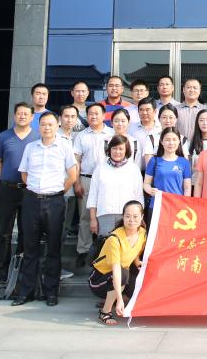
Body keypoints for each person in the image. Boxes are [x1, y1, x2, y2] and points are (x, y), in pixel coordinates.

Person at [13, 111, 78, 306]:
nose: (47, 128)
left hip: (55, 202)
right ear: (38, 126)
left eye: (50, 124)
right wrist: (36, 190)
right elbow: (24, 174)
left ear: (57, 126)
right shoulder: (30, 147)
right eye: (43, 124)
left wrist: (57, 191)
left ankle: (51, 292)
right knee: (30, 248)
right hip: (31, 201)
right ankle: (26, 291)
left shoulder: (65, 147)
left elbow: (72, 176)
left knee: (53, 249)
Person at [0, 102, 38, 284]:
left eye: (26, 114)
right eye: (19, 113)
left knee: (26, 231)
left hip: (29, 190)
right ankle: (3, 269)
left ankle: (19, 267)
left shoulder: (37, 137)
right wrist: (5, 176)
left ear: (32, 117)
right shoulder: (4, 136)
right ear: (14, 115)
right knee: (4, 231)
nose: (22, 116)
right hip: (8, 189)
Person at [92, 200, 146, 326]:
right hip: (100, 279)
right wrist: (120, 299)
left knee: (137, 281)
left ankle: (116, 298)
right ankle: (105, 312)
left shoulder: (142, 233)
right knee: (123, 273)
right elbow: (116, 271)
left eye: (135, 216)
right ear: (123, 217)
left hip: (121, 274)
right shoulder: (114, 239)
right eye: (128, 216)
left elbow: (136, 250)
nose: (131, 220)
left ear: (142, 217)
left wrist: (137, 263)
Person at [73, 102, 111, 268]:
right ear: (87, 116)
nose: (94, 116)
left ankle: (105, 251)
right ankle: (83, 250)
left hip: (107, 181)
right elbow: (76, 160)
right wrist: (76, 182)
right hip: (86, 179)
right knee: (85, 216)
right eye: (90, 114)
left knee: (106, 215)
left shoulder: (112, 134)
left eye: (97, 113)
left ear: (104, 115)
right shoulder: (81, 136)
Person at [88, 134, 144, 242]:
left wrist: (139, 217)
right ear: (109, 149)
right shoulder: (100, 168)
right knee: (106, 246)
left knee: (127, 246)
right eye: (114, 148)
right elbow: (93, 196)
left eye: (121, 149)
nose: (117, 152)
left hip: (128, 217)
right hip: (105, 215)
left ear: (126, 150)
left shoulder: (134, 169)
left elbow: (139, 196)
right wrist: (93, 219)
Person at [143, 128, 192, 213]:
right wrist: (150, 190)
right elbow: (146, 184)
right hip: (157, 205)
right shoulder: (154, 161)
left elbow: (187, 188)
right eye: (167, 140)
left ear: (179, 141)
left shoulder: (184, 162)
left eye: (174, 139)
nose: (171, 143)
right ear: (161, 142)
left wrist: (184, 203)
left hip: (177, 205)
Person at [57, 105, 82, 245]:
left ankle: (57, 257)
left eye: (73, 117)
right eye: (66, 116)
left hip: (71, 190)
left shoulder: (76, 138)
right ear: (60, 118)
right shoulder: (54, 137)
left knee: (65, 227)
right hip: (58, 190)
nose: (69, 120)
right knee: (56, 227)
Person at [128, 97, 160, 164]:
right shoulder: (130, 129)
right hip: (136, 168)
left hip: (156, 168)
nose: (144, 113)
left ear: (155, 111)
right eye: (141, 110)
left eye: (147, 110)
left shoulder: (161, 128)